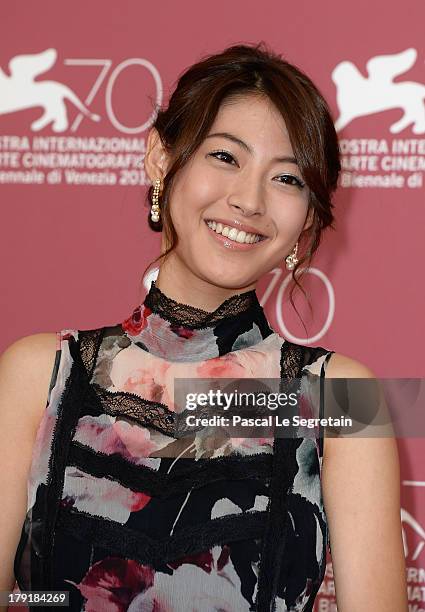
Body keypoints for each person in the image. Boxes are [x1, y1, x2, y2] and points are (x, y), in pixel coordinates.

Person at [0, 42, 407, 611]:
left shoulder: (337, 396)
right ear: (162, 161)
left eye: (287, 179)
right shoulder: (41, 373)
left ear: (308, 220)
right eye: (225, 157)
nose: (248, 200)